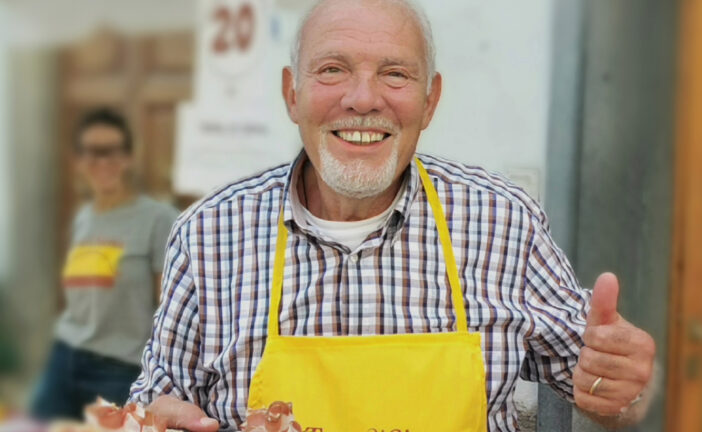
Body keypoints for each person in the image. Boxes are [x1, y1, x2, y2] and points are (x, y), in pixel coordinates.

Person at [129, 1, 657, 431]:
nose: (363, 99)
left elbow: (604, 395)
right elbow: (154, 403)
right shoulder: (208, 233)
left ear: (431, 101)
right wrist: (149, 422)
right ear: (293, 93)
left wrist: (625, 386)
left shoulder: (503, 222)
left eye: (395, 74)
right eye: (333, 69)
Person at [30, 108, 179, 421]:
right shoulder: (83, 218)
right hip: (65, 356)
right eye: (91, 153)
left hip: (118, 369)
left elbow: (169, 311)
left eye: (111, 152)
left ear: (128, 157)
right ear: (78, 161)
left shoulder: (157, 219)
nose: (101, 162)